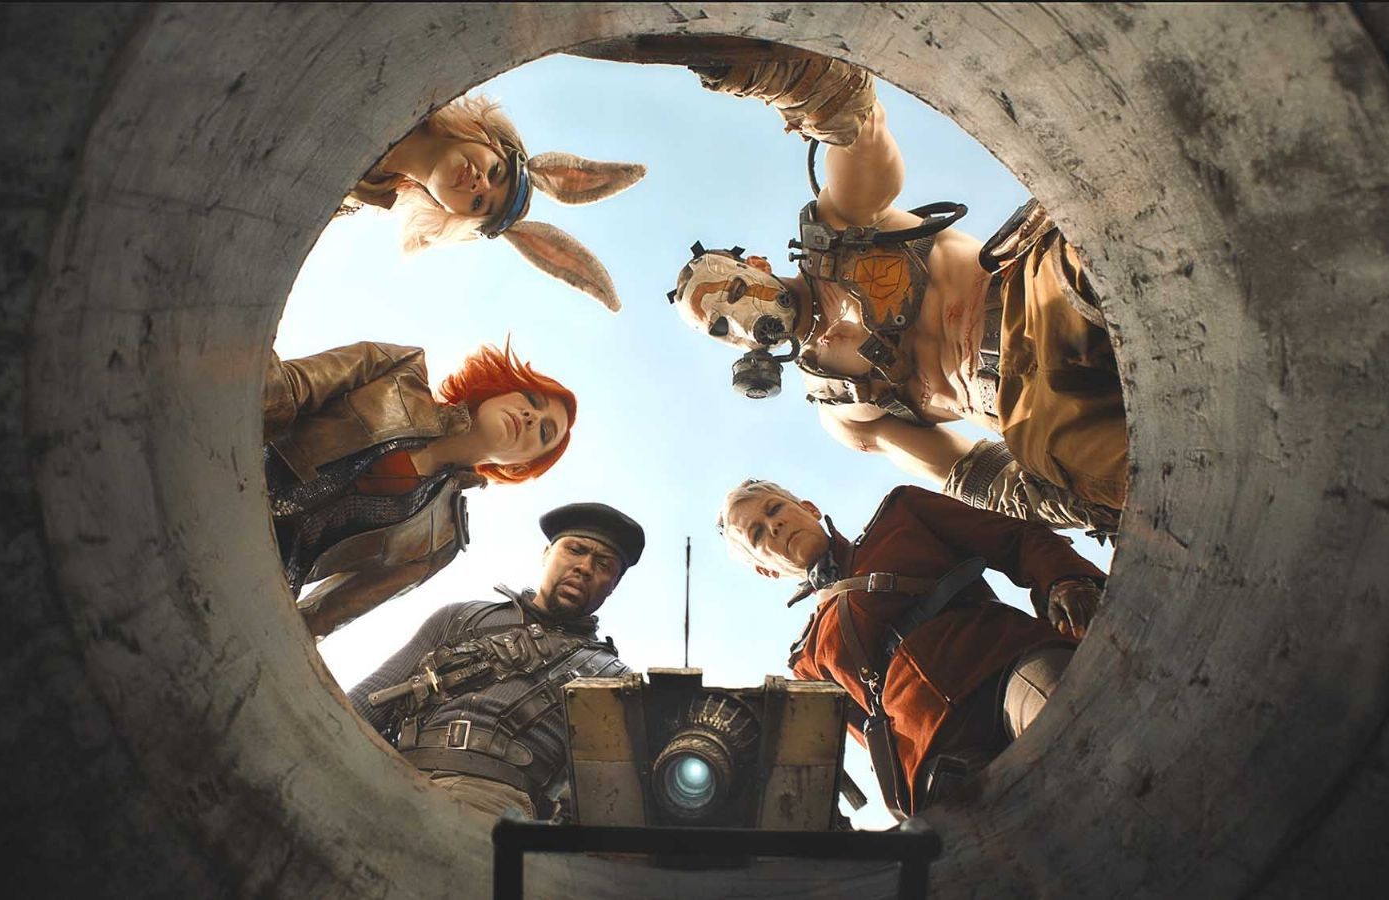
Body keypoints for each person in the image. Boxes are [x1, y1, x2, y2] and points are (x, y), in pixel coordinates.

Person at [666, 51, 1126, 536]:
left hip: (1033, 297)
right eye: (721, 327)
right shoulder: (840, 411)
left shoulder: (841, 227)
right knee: (1133, 477)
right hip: (1032, 415)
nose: (740, 319)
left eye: (736, 290)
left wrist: (788, 76)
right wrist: (1075, 502)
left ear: (757, 264)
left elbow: (859, 131)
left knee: (1110, 262)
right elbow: (967, 473)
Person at [717, 478, 1106, 816]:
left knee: (1074, 732)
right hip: (937, 757)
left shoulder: (902, 515)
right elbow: (867, 737)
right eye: (757, 534)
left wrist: (1064, 579)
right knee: (996, 847)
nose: (774, 525)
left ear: (809, 508)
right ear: (765, 570)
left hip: (1007, 664)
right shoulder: (807, 661)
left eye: (775, 509)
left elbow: (1015, 539)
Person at [347, 502, 645, 821]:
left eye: (603, 564)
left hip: (493, 799)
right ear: (547, 554)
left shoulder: (611, 678)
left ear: (613, 585)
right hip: (393, 774)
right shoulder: (460, 617)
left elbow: (600, 793)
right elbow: (368, 702)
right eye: (575, 550)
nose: (584, 567)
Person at [263, 339, 576, 639]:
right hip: (243, 469)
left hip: (265, 570)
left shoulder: (441, 540)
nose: (532, 417)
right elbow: (281, 389)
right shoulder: (398, 371)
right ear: (502, 390)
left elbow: (323, 616)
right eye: (531, 400)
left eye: (545, 432)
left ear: (518, 466)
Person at [338, 92, 647, 310]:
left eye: (478, 204)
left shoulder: (356, 191)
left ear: (451, 214)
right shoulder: (427, 80)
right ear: (490, 144)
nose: (480, 184)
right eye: (496, 171)